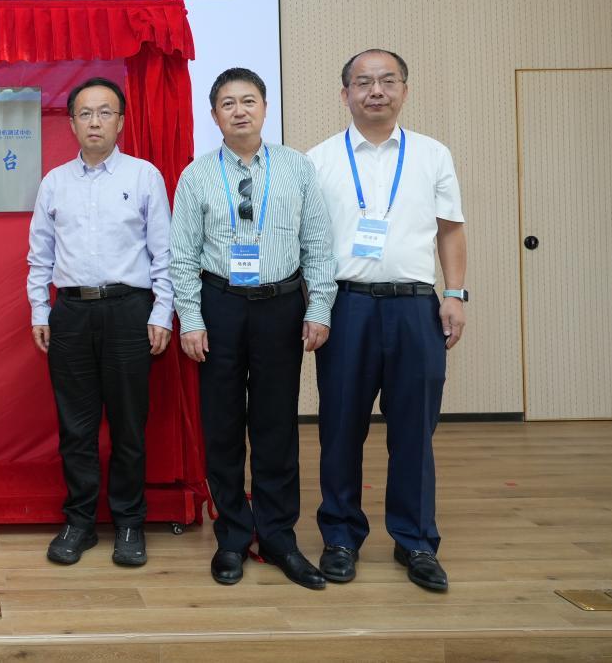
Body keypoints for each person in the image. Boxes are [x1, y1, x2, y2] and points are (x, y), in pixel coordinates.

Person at [306, 49, 468, 593]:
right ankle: (340, 538)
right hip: (346, 306)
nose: (375, 90)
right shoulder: (318, 160)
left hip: (416, 306)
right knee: (340, 428)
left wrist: (455, 294)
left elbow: (450, 229)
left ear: (404, 90)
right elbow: (308, 242)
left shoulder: (432, 154)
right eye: (363, 82)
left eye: (387, 81)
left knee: (414, 430)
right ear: (345, 94)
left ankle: (416, 541)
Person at [170, 67, 336, 589]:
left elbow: (317, 245)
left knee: (275, 425)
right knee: (222, 427)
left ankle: (279, 537)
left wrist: (319, 308)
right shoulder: (196, 175)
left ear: (265, 108)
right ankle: (233, 538)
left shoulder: (297, 168)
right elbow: (182, 256)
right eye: (228, 103)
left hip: (280, 306)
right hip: (219, 304)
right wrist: (191, 318)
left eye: (248, 101)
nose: (239, 111)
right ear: (214, 114)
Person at [26, 76, 173, 568]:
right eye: (85, 113)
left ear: (121, 121)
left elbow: (164, 253)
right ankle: (80, 522)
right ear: (71, 123)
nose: (95, 121)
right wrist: (40, 309)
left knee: (129, 425)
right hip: (71, 313)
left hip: (129, 310)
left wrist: (162, 312)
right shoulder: (55, 182)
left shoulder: (144, 176)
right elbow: (39, 255)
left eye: (105, 112)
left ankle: (129, 522)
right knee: (76, 427)